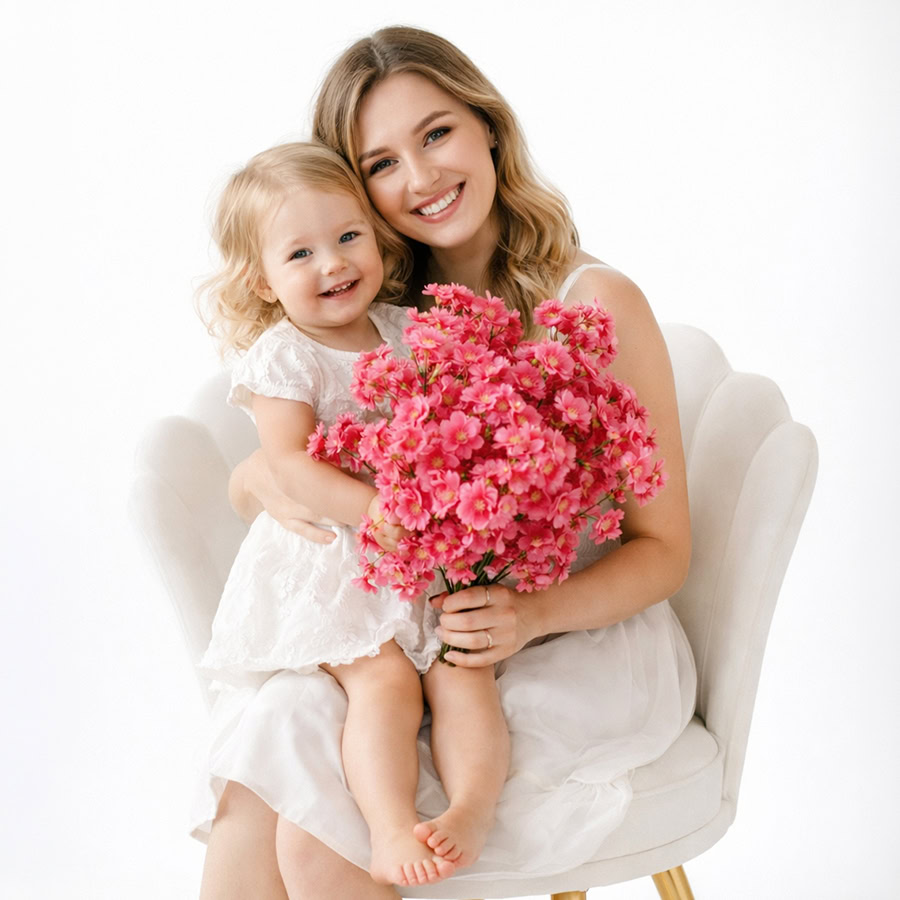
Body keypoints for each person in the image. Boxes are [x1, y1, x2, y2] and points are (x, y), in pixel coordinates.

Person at [195, 26, 696, 900]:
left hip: (564, 637)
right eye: (381, 163)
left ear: (488, 128)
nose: (421, 178)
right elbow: (281, 472)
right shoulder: (374, 310)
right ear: (355, 193)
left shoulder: (594, 304)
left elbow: (665, 548)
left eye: (436, 134)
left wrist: (531, 616)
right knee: (284, 724)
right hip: (413, 623)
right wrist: (259, 479)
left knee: (315, 775)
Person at [196, 141, 510, 888]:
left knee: (467, 674)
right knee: (386, 683)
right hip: (330, 564)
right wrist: (375, 505)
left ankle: (471, 804)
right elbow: (290, 467)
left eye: (347, 238)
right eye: (299, 253)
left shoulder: (408, 331)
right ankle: (388, 823)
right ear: (263, 282)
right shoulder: (284, 355)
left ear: (376, 237)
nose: (332, 264)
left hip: (414, 552)